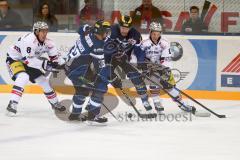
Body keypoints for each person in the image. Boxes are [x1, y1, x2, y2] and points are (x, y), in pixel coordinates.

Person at [55, 20, 111, 123]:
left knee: (82, 91)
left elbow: (80, 28)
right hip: (77, 71)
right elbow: (100, 68)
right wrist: (110, 79)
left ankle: (75, 115)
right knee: (100, 87)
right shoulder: (97, 44)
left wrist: (87, 27)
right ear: (99, 32)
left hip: (69, 66)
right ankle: (92, 115)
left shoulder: (87, 32)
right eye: (105, 32)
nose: (107, 34)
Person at [5, 21, 66, 116]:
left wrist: (65, 66)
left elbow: (56, 58)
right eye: (42, 31)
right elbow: (29, 61)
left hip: (29, 61)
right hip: (15, 59)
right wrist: (47, 64)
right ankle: (12, 104)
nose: (45, 33)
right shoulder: (28, 40)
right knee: (23, 77)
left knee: (43, 81)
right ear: (36, 31)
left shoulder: (49, 42)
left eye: (46, 31)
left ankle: (55, 103)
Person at [137, 21, 196, 114]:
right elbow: (140, 57)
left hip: (162, 67)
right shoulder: (144, 43)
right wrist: (142, 67)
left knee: (170, 87)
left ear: (160, 33)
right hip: (149, 67)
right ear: (150, 32)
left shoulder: (164, 43)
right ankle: (156, 102)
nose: (155, 36)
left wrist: (165, 71)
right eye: (153, 33)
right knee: (154, 81)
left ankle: (182, 104)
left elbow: (167, 59)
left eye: (157, 33)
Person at [104, 15, 155, 112]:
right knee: (104, 78)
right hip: (110, 59)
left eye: (127, 28)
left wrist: (142, 64)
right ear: (119, 26)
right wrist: (108, 67)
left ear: (130, 27)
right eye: (122, 27)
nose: (124, 30)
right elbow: (104, 48)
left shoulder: (135, 35)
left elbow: (139, 51)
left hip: (124, 58)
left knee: (136, 77)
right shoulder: (111, 31)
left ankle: (145, 100)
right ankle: (94, 102)